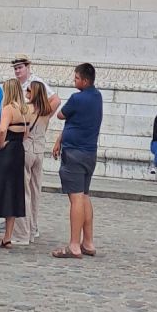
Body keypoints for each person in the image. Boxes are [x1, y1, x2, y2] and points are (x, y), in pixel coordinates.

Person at [52, 62, 103, 260]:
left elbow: (61, 114)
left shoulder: (77, 98)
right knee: (84, 195)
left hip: (74, 153)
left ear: (85, 80)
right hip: (90, 153)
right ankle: (88, 242)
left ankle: (74, 244)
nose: (74, 81)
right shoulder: (97, 97)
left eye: (76, 78)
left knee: (76, 198)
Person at [0, 79, 29, 248]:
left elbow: (2, 129)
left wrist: (0, 142)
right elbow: (27, 132)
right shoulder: (26, 109)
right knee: (14, 192)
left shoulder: (8, 109)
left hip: (6, 152)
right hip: (19, 151)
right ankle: (8, 237)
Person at [12, 79, 54, 245]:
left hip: (28, 150)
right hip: (40, 151)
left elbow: (24, 131)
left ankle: (22, 233)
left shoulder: (28, 110)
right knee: (35, 191)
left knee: (23, 192)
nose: (26, 93)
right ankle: (33, 228)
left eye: (28, 90)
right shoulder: (46, 112)